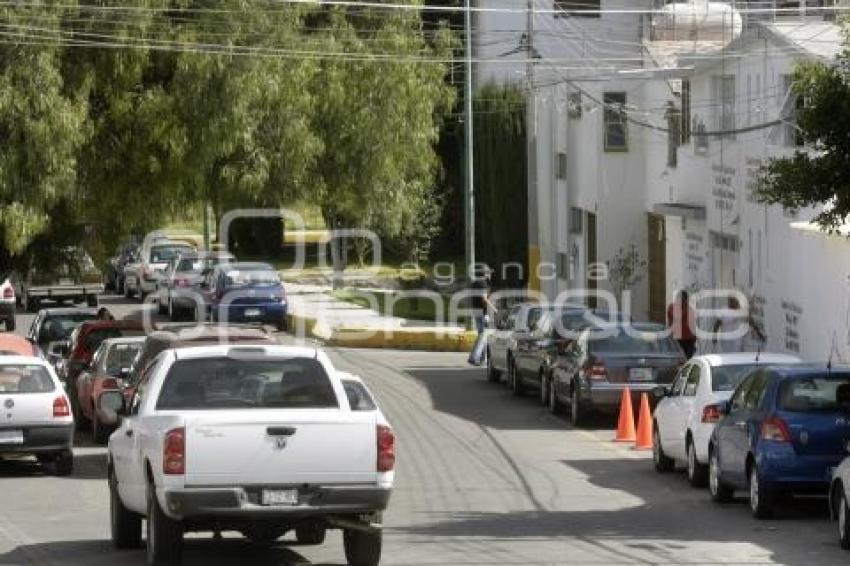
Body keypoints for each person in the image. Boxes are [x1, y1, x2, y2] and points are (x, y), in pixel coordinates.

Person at [467, 268, 497, 366]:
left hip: (476, 311)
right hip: (483, 313)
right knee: (483, 336)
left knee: (482, 335)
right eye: (489, 273)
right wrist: (493, 309)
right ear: (486, 274)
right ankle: (474, 357)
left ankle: (482, 359)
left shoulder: (474, 283)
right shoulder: (483, 284)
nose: (491, 275)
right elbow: (484, 299)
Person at [667, 290, 697, 359]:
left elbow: (692, 323)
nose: (685, 300)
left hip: (689, 338)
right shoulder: (672, 307)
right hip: (678, 338)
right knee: (680, 358)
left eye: (685, 299)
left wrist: (694, 336)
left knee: (688, 358)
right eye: (683, 298)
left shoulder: (689, 309)